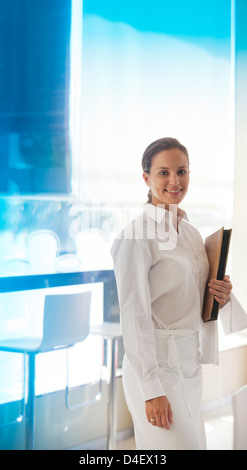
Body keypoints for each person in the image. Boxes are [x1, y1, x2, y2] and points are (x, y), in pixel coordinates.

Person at [110, 137, 247, 450]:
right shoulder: (135, 236)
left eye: (182, 171)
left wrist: (221, 294)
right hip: (156, 365)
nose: (175, 180)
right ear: (146, 178)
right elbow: (134, 314)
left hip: (190, 364)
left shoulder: (190, 232)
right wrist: (151, 388)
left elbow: (196, 297)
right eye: (163, 173)